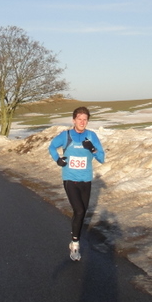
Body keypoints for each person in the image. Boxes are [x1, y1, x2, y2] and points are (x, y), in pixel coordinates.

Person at [48, 107, 105, 261]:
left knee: (81, 213)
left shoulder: (91, 136)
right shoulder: (66, 136)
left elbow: (101, 158)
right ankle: (75, 245)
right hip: (70, 179)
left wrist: (92, 148)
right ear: (73, 120)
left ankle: (74, 233)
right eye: (79, 119)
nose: (82, 122)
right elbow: (52, 146)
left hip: (86, 180)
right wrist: (58, 159)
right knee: (79, 211)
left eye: (85, 119)